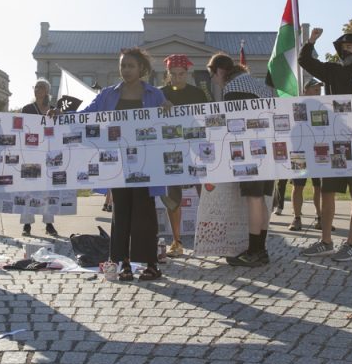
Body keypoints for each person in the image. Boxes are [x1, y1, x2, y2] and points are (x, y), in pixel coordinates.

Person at [84, 48, 169, 281]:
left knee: (145, 213)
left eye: (130, 65)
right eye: (123, 65)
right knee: (121, 213)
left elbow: (167, 124)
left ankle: (151, 264)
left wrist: (169, 112)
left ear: (141, 68)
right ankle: (124, 264)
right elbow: (86, 115)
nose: (126, 70)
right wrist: (60, 115)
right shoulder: (107, 95)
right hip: (117, 164)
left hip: (146, 163)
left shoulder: (154, 95)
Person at [299, 29, 352, 260]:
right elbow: (304, 60)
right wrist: (311, 41)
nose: (346, 50)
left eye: (350, 46)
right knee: (327, 191)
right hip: (333, 142)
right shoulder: (333, 71)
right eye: (343, 47)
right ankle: (325, 241)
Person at [208, 52, 274, 267]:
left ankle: (253, 251)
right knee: (262, 199)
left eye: (214, 75)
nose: (215, 80)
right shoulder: (254, 83)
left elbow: (234, 125)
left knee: (254, 199)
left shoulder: (232, 88)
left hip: (250, 150)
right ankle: (261, 249)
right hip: (269, 149)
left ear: (218, 71)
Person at [159, 54, 207, 256]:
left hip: (195, 149)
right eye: (174, 74)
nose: (178, 78)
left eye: (181, 74)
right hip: (171, 150)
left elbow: (207, 119)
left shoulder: (198, 93)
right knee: (173, 195)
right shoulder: (160, 94)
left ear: (187, 74)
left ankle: (206, 238)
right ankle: (176, 241)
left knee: (203, 193)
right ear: (167, 74)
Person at [282, 80, 327, 233]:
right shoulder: (295, 105)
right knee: (298, 186)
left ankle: (321, 218)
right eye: (315, 89)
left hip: (319, 151)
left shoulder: (323, 106)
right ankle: (297, 218)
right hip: (299, 151)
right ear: (305, 90)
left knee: (319, 186)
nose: (318, 92)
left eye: (319, 90)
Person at [20, 79, 59, 238]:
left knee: (47, 190)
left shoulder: (53, 110)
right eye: (36, 87)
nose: (37, 90)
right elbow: (20, 128)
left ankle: (49, 224)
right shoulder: (27, 109)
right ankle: (27, 224)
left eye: (41, 87)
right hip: (31, 152)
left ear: (47, 91)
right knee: (28, 190)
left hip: (48, 154)